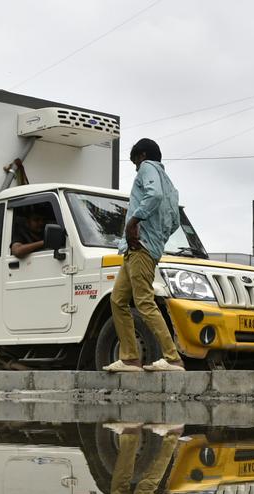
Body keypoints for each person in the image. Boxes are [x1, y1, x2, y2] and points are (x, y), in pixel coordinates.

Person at [105, 138, 185, 373]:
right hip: (139, 249)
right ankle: (130, 358)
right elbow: (175, 221)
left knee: (144, 301)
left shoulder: (148, 168)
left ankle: (172, 358)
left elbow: (154, 195)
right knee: (118, 300)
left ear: (141, 156)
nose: (136, 169)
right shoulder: (170, 184)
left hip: (140, 248)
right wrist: (158, 238)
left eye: (135, 163)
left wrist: (134, 222)